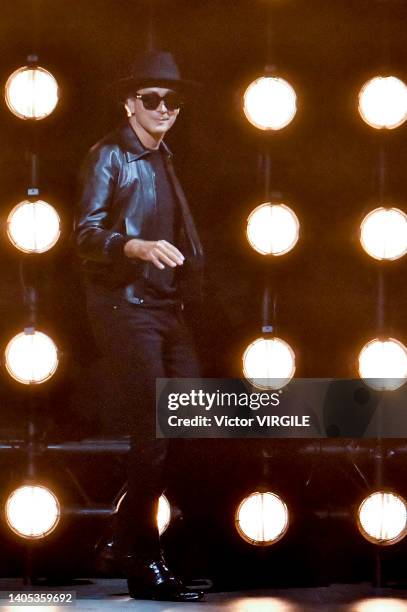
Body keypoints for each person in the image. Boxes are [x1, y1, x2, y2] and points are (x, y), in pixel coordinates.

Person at [74, 50, 204, 602]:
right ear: (129, 103)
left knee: (190, 421)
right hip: (124, 309)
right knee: (152, 432)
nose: (163, 108)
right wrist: (136, 246)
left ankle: (122, 539)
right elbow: (84, 236)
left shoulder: (164, 158)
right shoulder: (110, 156)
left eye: (172, 100)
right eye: (151, 98)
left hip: (164, 311)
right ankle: (143, 563)